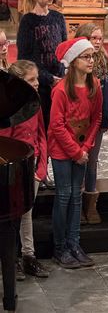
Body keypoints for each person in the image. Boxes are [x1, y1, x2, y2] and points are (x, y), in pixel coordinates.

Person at [49, 38, 102, 268]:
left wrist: (86, 147)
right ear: (73, 61)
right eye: (86, 56)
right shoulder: (61, 90)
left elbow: (96, 119)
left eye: (92, 56)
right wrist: (75, 152)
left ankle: (74, 243)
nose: (91, 61)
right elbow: (56, 126)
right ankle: (59, 248)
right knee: (64, 196)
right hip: (62, 150)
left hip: (81, 150)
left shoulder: (95, 86)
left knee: (77, 197)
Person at [0, 61, 49, 278]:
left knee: (27, 214)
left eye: (36, 78)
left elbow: (41, 135)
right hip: (15, 168)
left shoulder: (33, 103)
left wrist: (41, 167)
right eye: (31, 80)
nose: (37, 83)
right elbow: (6, 143)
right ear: (19, 83)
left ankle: (30, 257)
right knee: (14, 217)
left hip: (33, 166)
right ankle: (13, 259)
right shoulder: (11, 108)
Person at [17, 0, 67, 128]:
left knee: (59, 122)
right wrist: (47, 78)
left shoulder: (58, 17)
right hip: (40, 82)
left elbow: (64, 47)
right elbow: (24, 58)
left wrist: (63, 72)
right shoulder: (27, 21)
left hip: (59, 79)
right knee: (44, 123)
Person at [74, 24, 108, 225]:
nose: (97, 42)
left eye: (100, 38)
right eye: (93, 38)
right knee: (79, 159)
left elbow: (107, 92)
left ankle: (91, 204)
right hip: (79, 121)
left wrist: (105, 119)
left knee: (92, 162)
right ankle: (77, 205)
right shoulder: (76, 63)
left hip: (97, 121)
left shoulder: (103, 60)